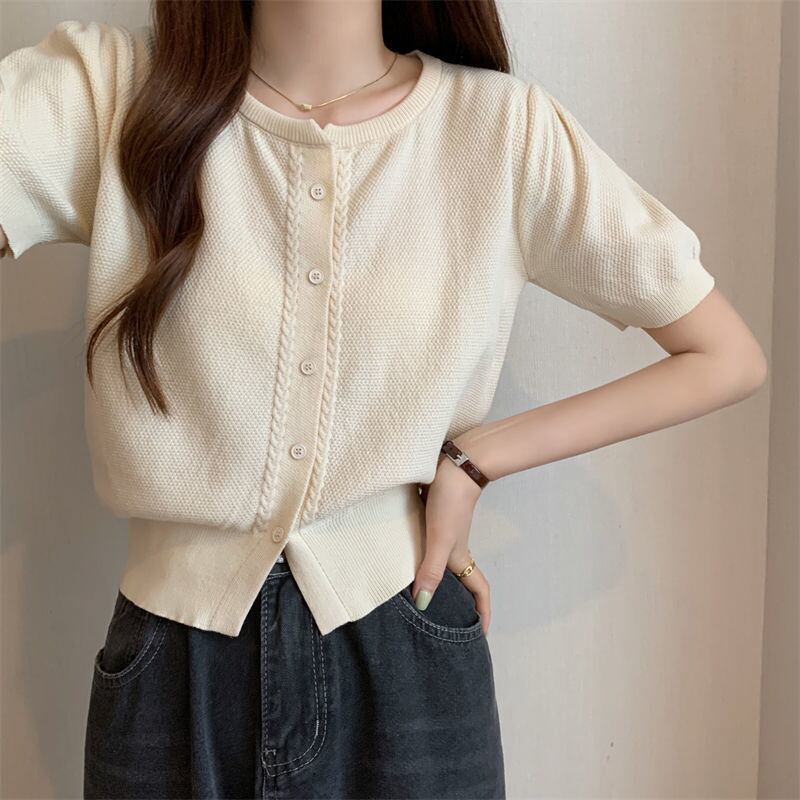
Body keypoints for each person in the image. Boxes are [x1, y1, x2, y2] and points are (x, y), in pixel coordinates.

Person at [0, 0, 767, 798]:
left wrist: (476, 460)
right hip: (170, 672)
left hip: (408, 653)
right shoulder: (115, 92)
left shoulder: (501, 131)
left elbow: (724, 356)